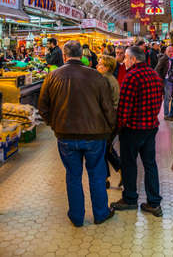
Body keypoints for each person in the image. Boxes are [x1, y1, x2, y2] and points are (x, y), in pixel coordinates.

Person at [38, 40, 116, 227]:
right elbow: (108, 108)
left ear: (64, 56)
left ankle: (77, 217)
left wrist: (54, 124)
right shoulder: (97, 76)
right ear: (82, 55)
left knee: (73, 176)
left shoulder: (52, 76)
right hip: (94, 136)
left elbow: (42, 107)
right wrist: (110, 129)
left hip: (65, 136)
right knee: (96, 175)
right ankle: (100, 214)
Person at [111, 46, 163, 217]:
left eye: (126, 58)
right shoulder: (154, 75)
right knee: (150, 165)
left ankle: (130, 198)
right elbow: (158, 102)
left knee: (129, 164)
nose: (124, 61)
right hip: (150, 127)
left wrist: (117, 129)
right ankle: (154, 202)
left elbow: (124, 109)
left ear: (133, 59)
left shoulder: (131, 76)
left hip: (133, 129)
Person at [97, 54, 121, 188]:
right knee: (106, 148)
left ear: (106, 67)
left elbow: (104, 102)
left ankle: (106, 177)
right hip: (112, 117)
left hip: (108, 118)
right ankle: (109, 175)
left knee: (104, 148)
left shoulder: (104, 80)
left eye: (99, 64)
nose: (97, 66)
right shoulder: (111, 78)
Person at [155, 45, 173, 120]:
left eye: (172, 51)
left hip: (170, 80)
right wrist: (160, 79)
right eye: (169, 51)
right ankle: (166, 114)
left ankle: (166, 113)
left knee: (167, 97)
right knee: (167, 98)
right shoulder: (164, 58)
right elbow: (157, 69)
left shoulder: (172, 59)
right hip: (166, 80)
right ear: (165, 52)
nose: (171, 53)